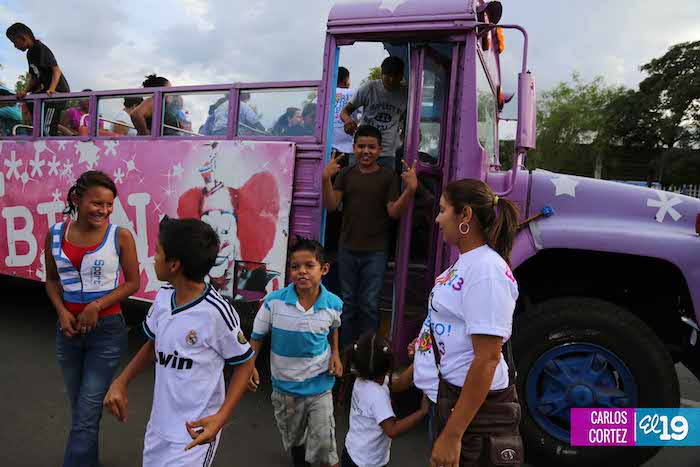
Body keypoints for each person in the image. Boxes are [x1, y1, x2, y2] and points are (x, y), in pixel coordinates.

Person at [104, 217, 255, 467]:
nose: (153, 258)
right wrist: (121, 381)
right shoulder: (163, 298)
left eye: (157, 252)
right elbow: (153, 346)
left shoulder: (216, 312)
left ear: (174, 264)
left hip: (195, 435)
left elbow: (245, 363)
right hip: (159, 429)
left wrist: (220, 418)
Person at [44, 171, 140, 467]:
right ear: (77, 199)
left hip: (106, 333)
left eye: (109, 205)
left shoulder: (120, 236)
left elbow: (133, 283)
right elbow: (51, 280)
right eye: (97, 203)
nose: (104, 210)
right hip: (68, 333)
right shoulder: (55, 234)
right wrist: (62, 312)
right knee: (82, 412)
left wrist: (96, 305)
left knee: (85, 414)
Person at [428, 179, 523, 467]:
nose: (437, 219)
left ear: (465, 215)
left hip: (476, 416)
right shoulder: (469, 262)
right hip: (455, 399)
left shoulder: (486, 271)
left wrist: (452, 435)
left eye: (443, 210)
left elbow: (487, 358)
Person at [247, 237, 343, 467]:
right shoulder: (274, 302)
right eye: (295, 266)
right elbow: (257, 337)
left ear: (324, 269)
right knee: (295, 438)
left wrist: (335, 354)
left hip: (320, 385)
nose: (302, 272)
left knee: (324, 444)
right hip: (285, 388)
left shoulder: (334, 304)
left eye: (309, 265)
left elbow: (334, 328)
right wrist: (249, 366)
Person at [322, 125, 417, 347]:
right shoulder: (346, 174)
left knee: (369, 304)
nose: (366, 151)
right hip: (347, 249)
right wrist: (326, 178)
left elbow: (394, 212)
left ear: (380, 149)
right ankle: (346, 353)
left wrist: (410, 190)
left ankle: (367, 354)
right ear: (354, 147)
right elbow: (331, 205)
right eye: (361, 146)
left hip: (375, 251)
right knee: (347, 304)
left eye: (372, 147)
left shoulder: (388, 176)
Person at [342, 332, 429, 467]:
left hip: (352, 452)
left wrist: (418, 361)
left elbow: (398, 384)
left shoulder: (362, 380)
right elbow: (392, 430)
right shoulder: (377, 396)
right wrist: (422, 412)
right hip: (368, 463)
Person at [340, 57, 407, 169]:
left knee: (384, 180)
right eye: (388, 75)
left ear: (401, 76)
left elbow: (407, 119)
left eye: (396, 75)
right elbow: (345, 111)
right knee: (356, 178)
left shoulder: (405, 93)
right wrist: (348, 120)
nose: (391, 79)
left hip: (387, 153)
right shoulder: (369, 88)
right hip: (362, 150)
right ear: (381, 74)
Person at [6, 22, 70, 136]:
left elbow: (56, 71)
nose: (15, 46)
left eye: (15, 42)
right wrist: (25, 91)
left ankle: (49, 141)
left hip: (57, 92)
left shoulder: (41, 49)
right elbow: (34, 77)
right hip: (46, 92)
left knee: (47, 128)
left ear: (23, 38)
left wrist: (52, 89)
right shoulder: (30, 54)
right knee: (30, 102)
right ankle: (38, 132)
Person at [332, 67, 359, 161]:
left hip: (328, 149)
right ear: (346, 81)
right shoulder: (353, 93)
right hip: (349, 149)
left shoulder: (324, 95)